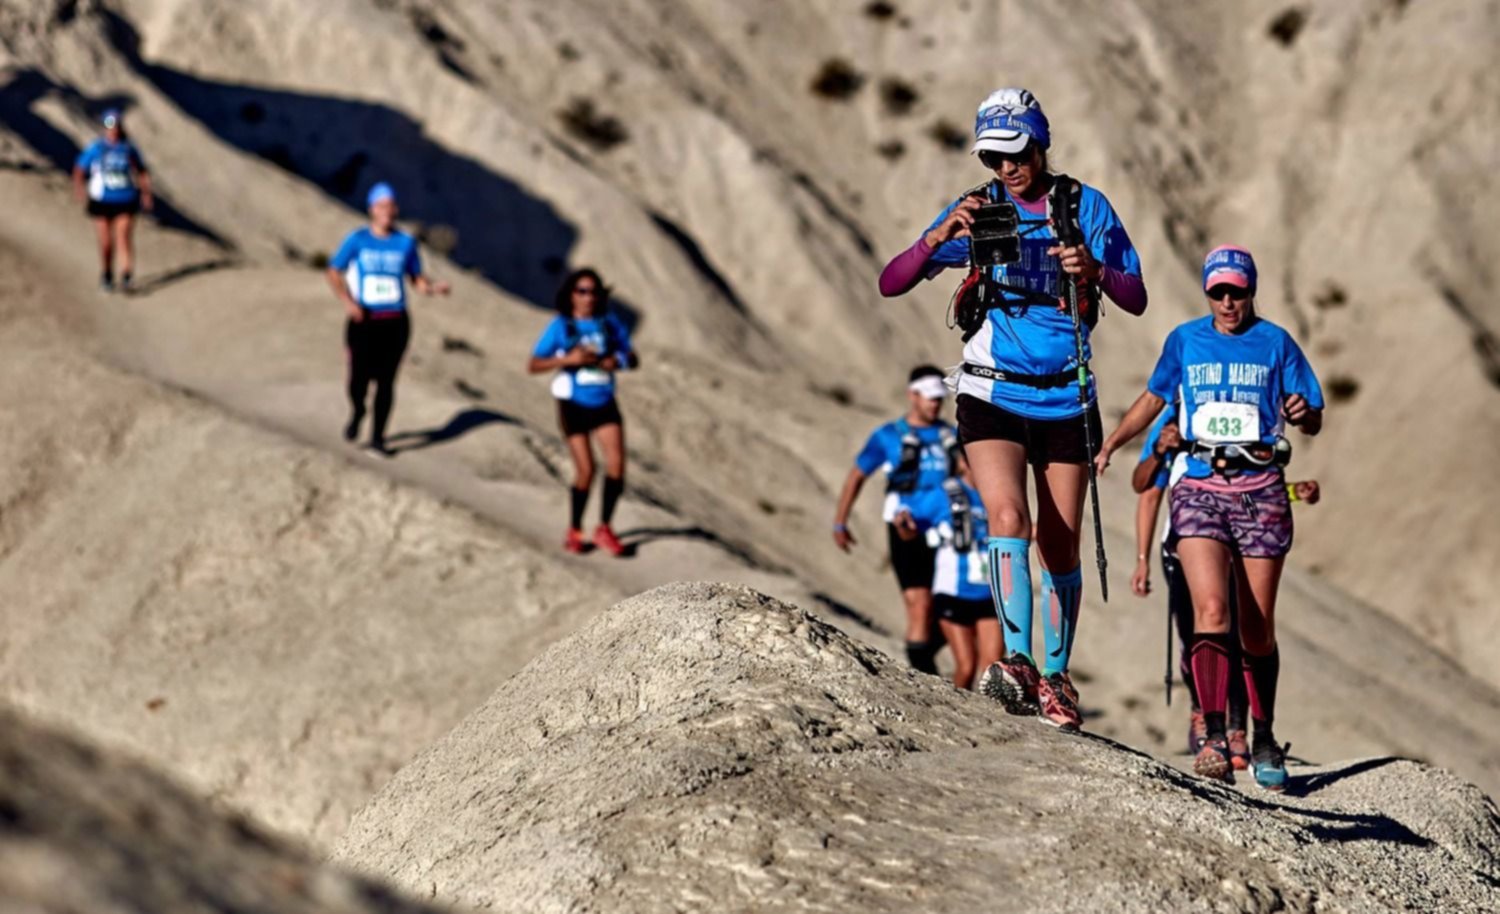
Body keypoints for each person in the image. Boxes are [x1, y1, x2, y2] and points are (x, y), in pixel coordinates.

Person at [878, 87, 1148, 729]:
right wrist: (939, 236)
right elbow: (892, 280)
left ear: (1039, 142)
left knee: (1060, 543)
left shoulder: (1086, 207)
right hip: (989, 388)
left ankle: (1055, 676)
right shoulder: (978, 210)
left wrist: (1094, 271)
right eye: (993, 158)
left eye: (1016, 153)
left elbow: (1135, 296)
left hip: (1067, 393)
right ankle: (1019, 661)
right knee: (1007, 516)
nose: (1006, 169)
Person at [1097, 245, 1324, 790]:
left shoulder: (1276, 343)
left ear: (1251, 291)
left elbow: (1311, 414)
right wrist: (1111, 444)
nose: (1227, 301)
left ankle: (1264, 733)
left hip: (1261, 489)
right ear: (1207, 292)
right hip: (1200, 486)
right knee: (1211, 608)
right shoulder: (1185, 340)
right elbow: (1153, 400)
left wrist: (1303, 412)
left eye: (1237, 291)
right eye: (1217, 291)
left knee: (1257, 627)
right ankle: (1216, 736)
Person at [1132, 407, 1323, 765]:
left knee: (1235, 635)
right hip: (1179, 548)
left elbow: (1251, 488)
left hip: (1235, 545)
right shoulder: (1172, 418)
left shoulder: (1232, 411)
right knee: (1195, 636)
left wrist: (1296, 492)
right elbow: (1146, 489)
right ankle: (1203, 712)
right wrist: (1142, 559)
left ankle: (1235, 730)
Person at [833, 366, 963, 674]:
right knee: (919, 606)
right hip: (907, 530)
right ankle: (925, 677)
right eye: (930, 398)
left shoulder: (952, 436)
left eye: (939, 399)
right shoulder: (888, 436)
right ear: (912, 395)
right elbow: (857, 476)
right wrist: (841, 521)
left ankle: (925, 659)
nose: (936, 404)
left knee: (955, 609)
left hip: (950, 530)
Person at [327, 182, 450, 455]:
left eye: (391, 206)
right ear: (372, 209)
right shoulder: (357, 240)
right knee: (358, 380)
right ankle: (358, 410)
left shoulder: (405, 243)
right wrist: (348, 302)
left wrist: (432, 288)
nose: (387, 211)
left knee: (386, 381)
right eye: (382, 206)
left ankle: (378, 438)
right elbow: (334, 271)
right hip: (363, 320)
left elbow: (415, 277)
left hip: (395, 321)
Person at [527, 268, 639, 556]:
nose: (587, 297)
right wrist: (569, 358)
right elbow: (533, 364)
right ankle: (575, 529)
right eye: (581, 291)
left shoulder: (609, 324)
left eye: (593, 291)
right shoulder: (560, 327)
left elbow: (632, 356)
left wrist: (618, 361)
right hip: (573, 404)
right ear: (571, 295)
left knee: (617, 465)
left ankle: (605, 528)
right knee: (586, 470)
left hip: (604, 401)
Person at [892, 473, 1000, 691]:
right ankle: (963, 712)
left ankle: (990, 719)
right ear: (962, 461)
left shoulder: (996, 492)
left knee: (993, 669)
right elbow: (909, 529)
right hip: (953, 592)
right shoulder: (944, 494)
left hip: (991, 592)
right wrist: (904, 525)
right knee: (967, 666)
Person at [73, 108, 152, 293]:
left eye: (115, 125)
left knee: (124, 236)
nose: (112, 129)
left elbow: (141, 170)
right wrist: (79, 189)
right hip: (102, 200)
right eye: (108, 125)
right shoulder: (96, 148)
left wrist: (146, 193)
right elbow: (79, 169)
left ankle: (126, 275)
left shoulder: (128, 148)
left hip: (125, 198)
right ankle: (107, 273)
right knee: (106, 242)